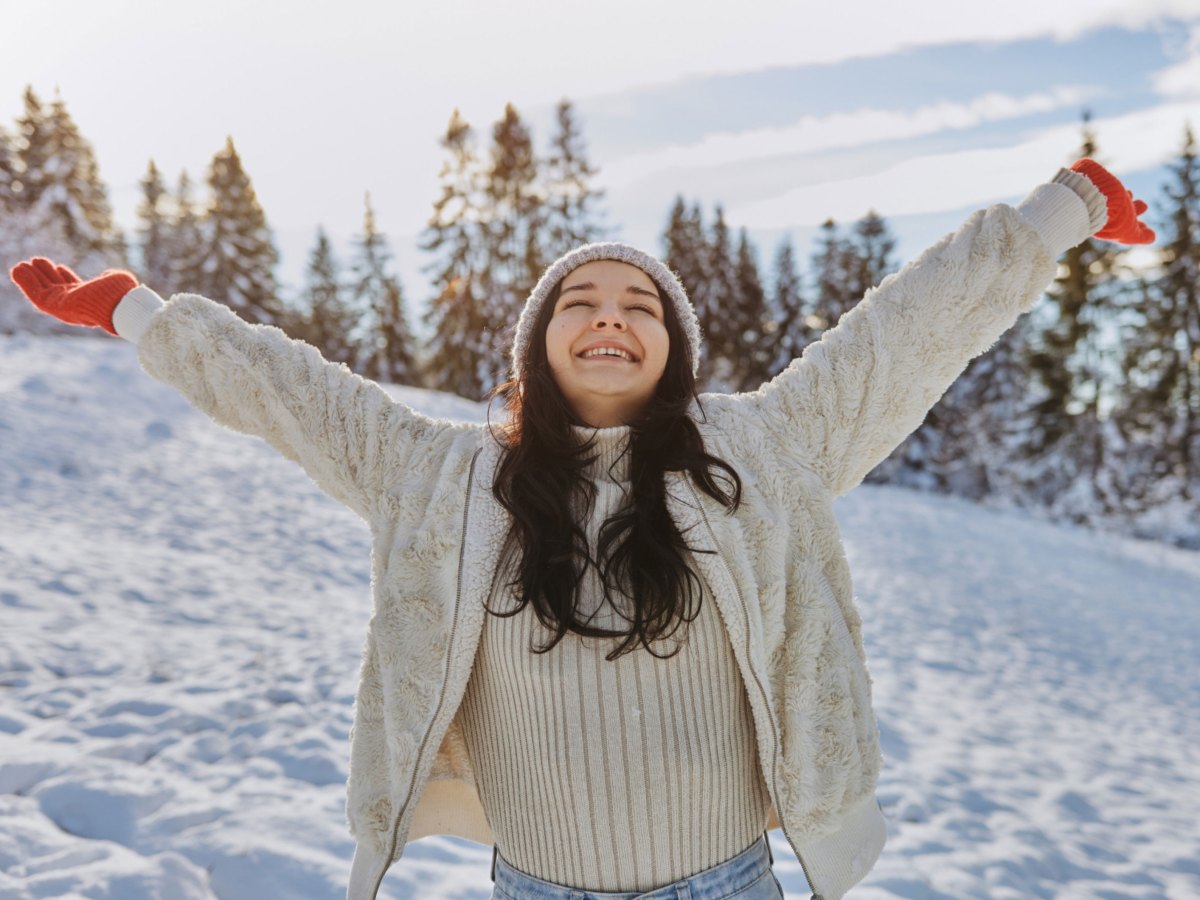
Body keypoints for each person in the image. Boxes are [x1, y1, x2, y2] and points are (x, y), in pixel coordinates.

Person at [9, 158, 1153, 900]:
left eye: (640, 305)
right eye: (582, 303)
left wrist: (1065, 207)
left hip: (728, 884)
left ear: (673, 349)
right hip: (535, 887)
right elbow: (289, 390)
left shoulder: (767, 451)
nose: (611, 319)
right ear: (538, 346)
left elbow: (911, 327)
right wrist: (134, 308)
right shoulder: (439, 476)